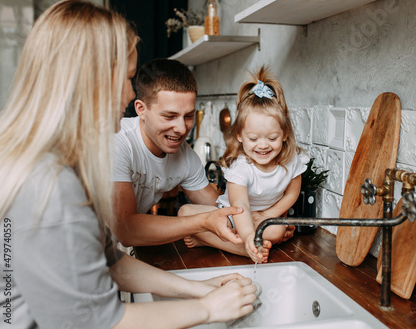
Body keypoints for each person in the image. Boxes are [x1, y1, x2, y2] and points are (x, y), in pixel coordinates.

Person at [0, 1, 256, 329]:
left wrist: (201, 289)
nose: (132, 93)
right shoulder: (50, 187)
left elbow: (112, 262)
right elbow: (100, 325)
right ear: (92, 81)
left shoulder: (63, 165)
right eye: (130, 78)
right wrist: (207, 309)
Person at [111, 58, 295, 248]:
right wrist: (203, 222)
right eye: (169, 116)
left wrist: (266, 222)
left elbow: (218, 207)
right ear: (141, 109)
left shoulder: (184, 156)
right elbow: (126, 230)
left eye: (189, 116)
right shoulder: (117, 142)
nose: (182, 129)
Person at [179, 66, 309, 263]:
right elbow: (239, 205)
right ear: (239, 135)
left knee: (276, 230)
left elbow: (292, 193)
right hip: (231, 216)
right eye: (254, 138)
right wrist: (248, 236)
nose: (263, 145)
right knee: (184, 213)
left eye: (272, 138)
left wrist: (267, 214)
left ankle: (209, 240)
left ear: (285, 134)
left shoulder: (291, 161)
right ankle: (244, 248)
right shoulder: (241, 166)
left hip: (262, 220)